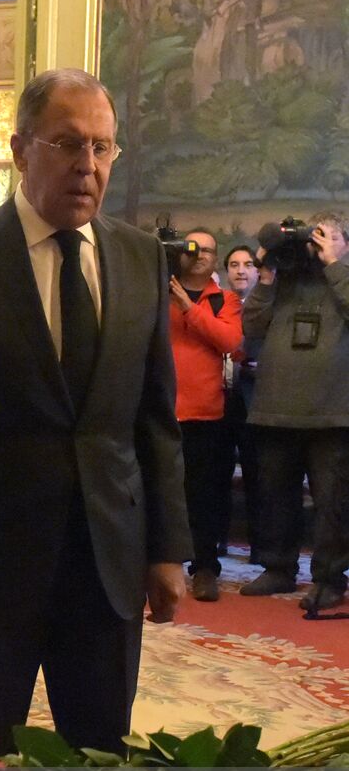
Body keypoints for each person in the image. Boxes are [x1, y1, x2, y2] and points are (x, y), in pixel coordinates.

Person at [0, 68, 191, 757]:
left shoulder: (140, 256)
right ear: (22, 148)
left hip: (108, 562)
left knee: (101, 759)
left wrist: (168, 546)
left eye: (103, 148)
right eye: (68, 144)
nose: (88, 166)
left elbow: (154, 419)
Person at [240, 212, 349, 611]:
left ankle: (329, 578)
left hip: (332, 414)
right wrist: (266, 274)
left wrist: (335, 264)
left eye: (325, 237)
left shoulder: (344, 276)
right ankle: (278, 568)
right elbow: (251, 327)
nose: (314, 245)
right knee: (275, 496)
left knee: (331, 502)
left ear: (342, 243)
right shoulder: (281, 279)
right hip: (275, 410)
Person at [168, 229, 242, 601]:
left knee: (202, 497)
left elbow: (230, 342)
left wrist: (186, 305)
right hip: (159, 413)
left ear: (216, 259)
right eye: (189, 248)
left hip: (204, 414)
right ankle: (156, 566)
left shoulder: (223, 299)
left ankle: (204, 568)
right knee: (155, 493)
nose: (197, 255)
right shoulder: (154, 294)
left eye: (206, 250)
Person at [216, 245, 261, 561]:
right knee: (215, 475)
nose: (241, 270)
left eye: (247, 264)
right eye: (234, 264)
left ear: (258, 271)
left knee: (258, 476)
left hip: (254, 400)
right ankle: (215, 541)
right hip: (218, 399)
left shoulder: (267, 306)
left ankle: (262, 547)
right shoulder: (217, 304)